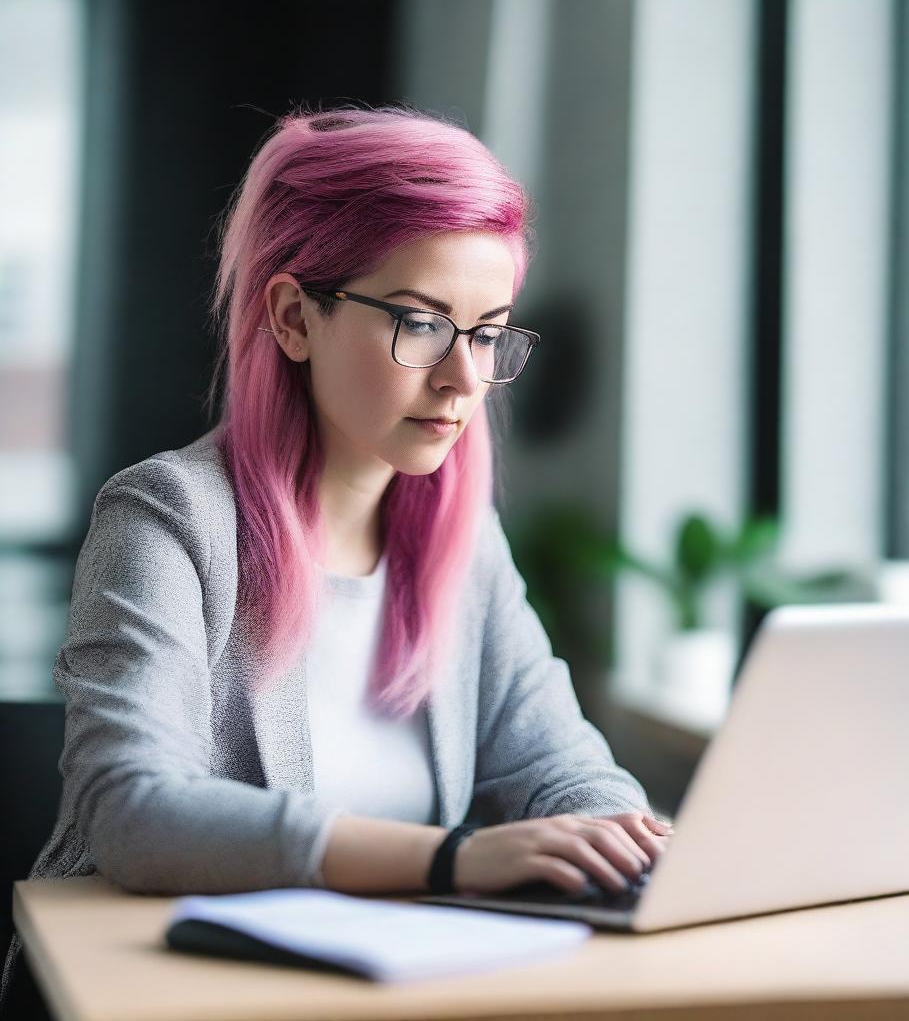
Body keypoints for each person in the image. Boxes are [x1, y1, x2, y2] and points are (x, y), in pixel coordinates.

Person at [0, 104, 671, 1012]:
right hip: (154, 992)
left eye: (487, 332)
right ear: (292, 317)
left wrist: (625, 842)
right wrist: (453, 858)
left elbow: (557, 763)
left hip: (376, 994)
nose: (464, 381)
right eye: (422, 323)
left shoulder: (461, 537)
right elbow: (134, 812)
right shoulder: (167, 518)